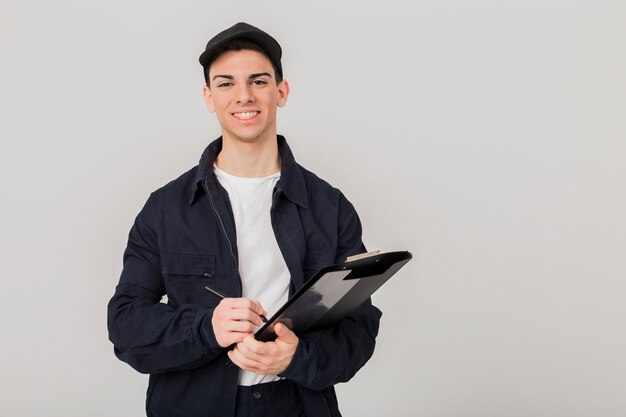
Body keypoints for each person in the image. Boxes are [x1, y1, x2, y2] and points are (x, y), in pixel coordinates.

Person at [107, 22, 382, 417]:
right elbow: (125, 324)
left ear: (281, 92)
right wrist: (204, 328)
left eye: (258, 81)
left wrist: (298, 358)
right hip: (194, 405)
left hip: (296, 404)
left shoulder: (329, 206)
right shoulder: (166, 208)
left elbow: (360, 328)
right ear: (208, 97)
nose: (243, 96)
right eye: (225, 84)